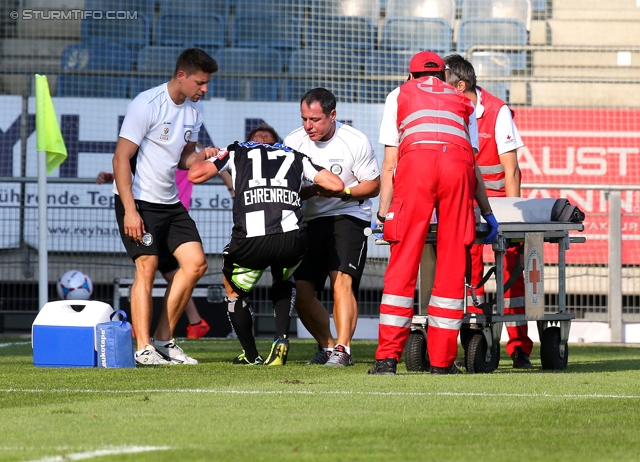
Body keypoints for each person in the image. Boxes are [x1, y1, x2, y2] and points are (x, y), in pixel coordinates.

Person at [368, 50, 499, 376]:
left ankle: (387, 360)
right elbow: (473, 166)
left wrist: (383, 216)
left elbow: (390, 164)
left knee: (404, 261)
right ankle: (442, 362)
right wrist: (488, 213)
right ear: (443, 76)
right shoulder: (460, 100)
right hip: (457, 170)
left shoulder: (399, 94)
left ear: (410, 76)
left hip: (418, 168)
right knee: (453, 263)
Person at [188, 138, 344, 366]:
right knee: (284, 276)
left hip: (252, 239)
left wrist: (202, 155)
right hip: (292, 238)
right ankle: (281, 338)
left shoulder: (237, 151)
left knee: (233, 289)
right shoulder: (294, 154)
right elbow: (336, 185)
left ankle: (251, 355)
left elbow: (195, 175)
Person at [112, 47, 218, 365]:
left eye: (207, 83)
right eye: (200, 82)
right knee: (146, 269)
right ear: (181, 76)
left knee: (196, 264)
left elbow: (184, 158)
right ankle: (144, 348)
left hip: (170, 202)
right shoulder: (147, 103)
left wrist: (202, 156)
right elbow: (120, 158)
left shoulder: (194, 113)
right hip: (139, 203)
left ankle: (163, 339)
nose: (204, 89)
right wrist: (130, 210)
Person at [444, 54, 533, 368]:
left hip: (498, 207)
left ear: (461, 85)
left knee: (512, 272)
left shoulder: (497, 111)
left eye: (445, 86)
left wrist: (509, 218)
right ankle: (476, 337)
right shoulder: (446, 112)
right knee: (467, 272)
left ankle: (520, 348)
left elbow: (512, 171)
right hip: (464, 207)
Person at [284, 88, 381, 367]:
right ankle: (327, 347)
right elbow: (287, 189)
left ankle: (343, 349)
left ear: (332, 115)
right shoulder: (293, 142)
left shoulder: (354, 140)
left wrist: (343, 193)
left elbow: (374, 185)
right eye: (304, 118)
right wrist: (314, 190)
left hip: (349, 214)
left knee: (341, 281)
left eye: (314, 119)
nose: (308, 126)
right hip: (311, 219)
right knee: (300, 290)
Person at [96, 169, 210, 339]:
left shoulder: (183, 152)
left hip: (171, 217)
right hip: (154, 213)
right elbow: (138, 169)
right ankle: (192, 323)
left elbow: (212, 165)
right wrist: (114, 177)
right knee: (162, 270)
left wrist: (232, 185)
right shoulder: (160, 153)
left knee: (177, 269)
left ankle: (157, 330)